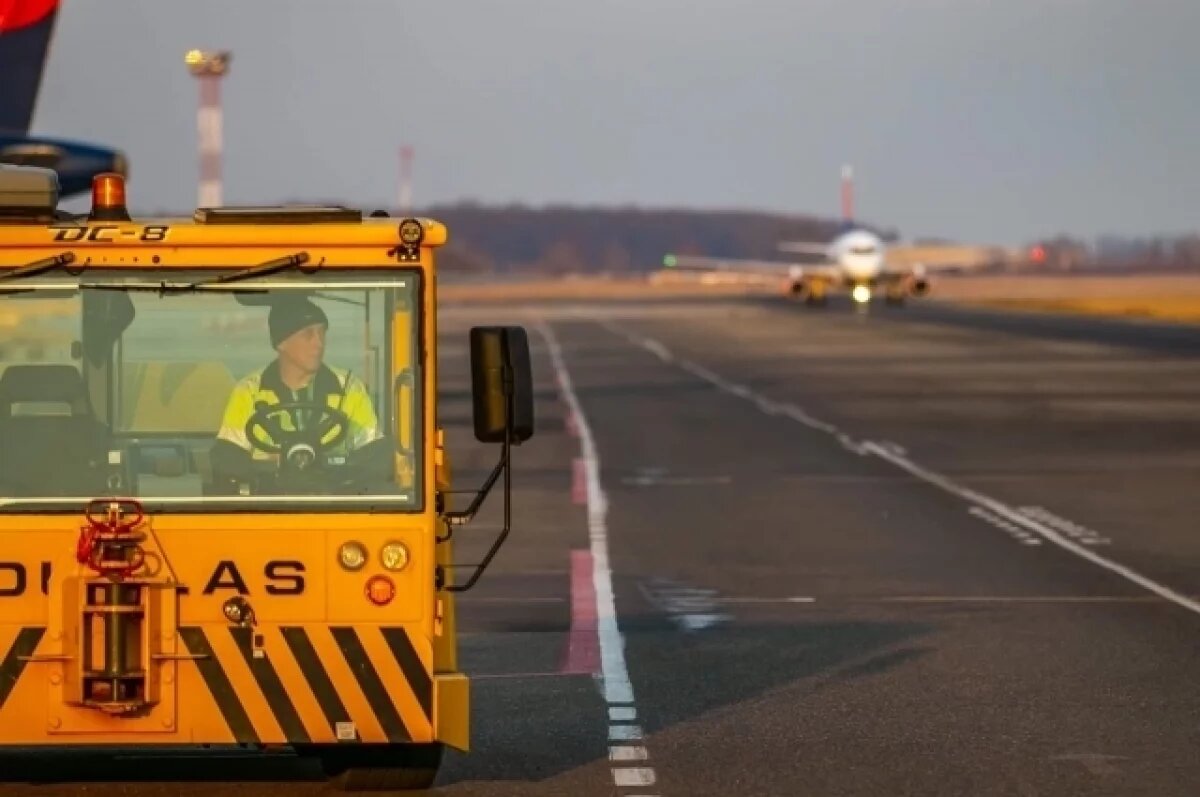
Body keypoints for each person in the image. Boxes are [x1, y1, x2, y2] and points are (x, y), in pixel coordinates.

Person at [210, 297, 384, 488]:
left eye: (322, 333)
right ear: (281, 343)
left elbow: (374, 454)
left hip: (333, 498)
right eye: (308, 335)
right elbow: (228, 455)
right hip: (267, 500)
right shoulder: (249, 391)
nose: (319, 343)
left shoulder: (349, 388)